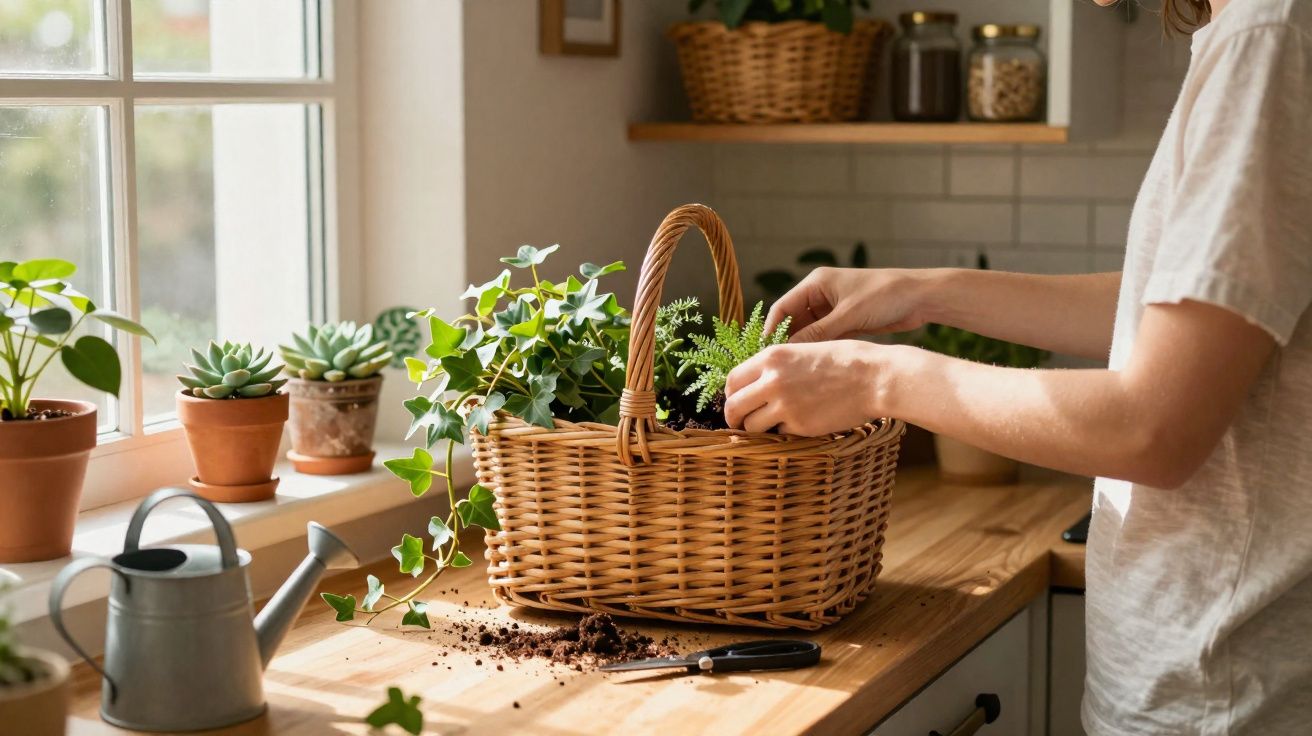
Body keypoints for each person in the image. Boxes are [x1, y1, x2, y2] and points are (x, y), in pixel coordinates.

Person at [723, 0, 1312, 732]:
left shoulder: (1270, 35)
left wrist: (879, 378)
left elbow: (1153, 429)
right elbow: (1177, 317)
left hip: (1226, 695)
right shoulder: (1254, 30)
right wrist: (922, 291)